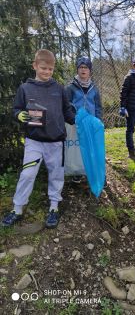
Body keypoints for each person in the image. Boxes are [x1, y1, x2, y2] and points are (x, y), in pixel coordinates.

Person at [1, 49, 75, 229]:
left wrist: (80, 120)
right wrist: (20, 116)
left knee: (56, 175)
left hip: (56, 142)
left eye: (50, 69)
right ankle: (17, 209)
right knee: (27, 174)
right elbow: (17, 109)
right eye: (43, 68)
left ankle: (54, 207)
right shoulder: (25, 88)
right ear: (35, 66)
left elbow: (67, 111)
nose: (47, 72)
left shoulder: (59, 89)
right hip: (34, 142)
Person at [65, 56, 103, 183]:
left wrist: (98, 121)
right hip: (76, 123)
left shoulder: (94, 89)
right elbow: (66, 106)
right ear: (77, 70)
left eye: (86, 67)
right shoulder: (70, 88)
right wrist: (73, 120)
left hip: (91, 123)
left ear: (90, 70)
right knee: (78, 148)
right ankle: (78, 172)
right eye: (80, 67)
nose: (83, 70)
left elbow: (98, 107)